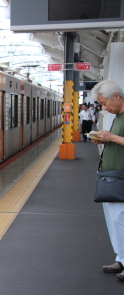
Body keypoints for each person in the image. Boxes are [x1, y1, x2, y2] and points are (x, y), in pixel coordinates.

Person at [90, 80, 124, 281]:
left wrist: (110, 137)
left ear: (117, 97)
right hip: (112, 179)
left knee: (122, 220)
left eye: (105, 104)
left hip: (121, 178)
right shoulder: (117, 115)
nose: (104, 108)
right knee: (115, 222)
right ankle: (121, 258)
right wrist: (103, 140)